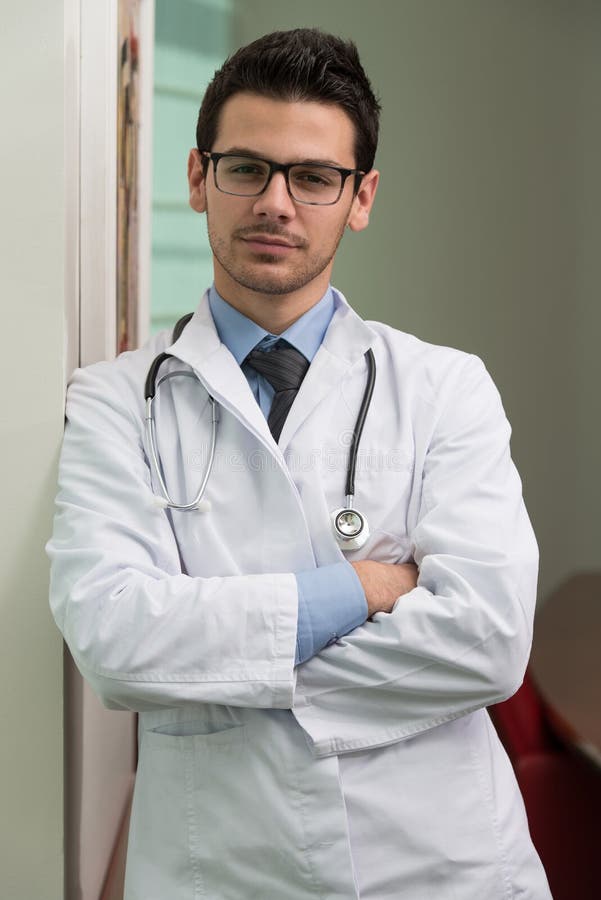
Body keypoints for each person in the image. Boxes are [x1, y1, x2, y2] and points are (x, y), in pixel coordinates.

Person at [48, 28, 552, 900]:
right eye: (246, 168)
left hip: (439, 868)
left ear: (360, 199)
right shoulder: (111, 401)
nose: (276, 203)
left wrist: (213, 672)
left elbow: (489, 641)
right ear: (199, 179)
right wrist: (359, 590)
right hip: (222, 870)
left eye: (314, 177)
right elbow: (114, 641)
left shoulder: (444, 388)